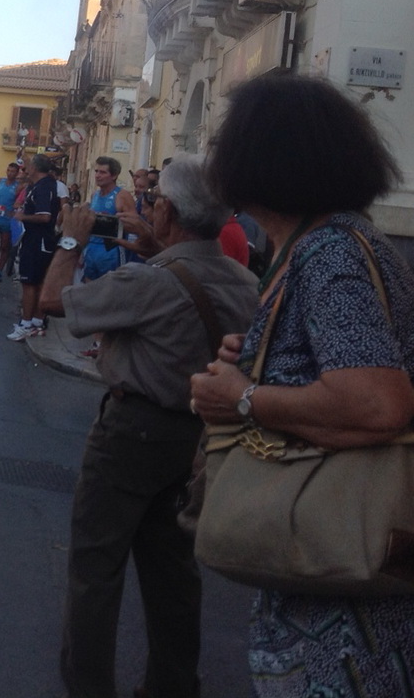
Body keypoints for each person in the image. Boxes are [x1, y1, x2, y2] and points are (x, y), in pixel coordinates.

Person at [189, 73, 414, 696]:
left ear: (258, 159)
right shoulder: (330, 245)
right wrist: (260, 354)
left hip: (345, 615)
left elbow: (377, 401)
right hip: (333, 583)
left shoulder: (330, 254)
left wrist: (239, 395)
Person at [39, 153, 259, 698]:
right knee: (173, 575)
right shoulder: (246, 280)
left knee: (96, 569)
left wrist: (70, 240)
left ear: (167, 212)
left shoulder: (149, 281)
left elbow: (52, 301)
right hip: (196, 438)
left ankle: (89, 687)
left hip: (131, 432)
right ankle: (173, 686)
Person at [7, 154, 60, 341]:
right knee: (37, 282)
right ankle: (36, 322)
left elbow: (45, 216)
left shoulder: (44, 187)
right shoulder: (37, 186)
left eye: (28, 165)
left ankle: (26, 324)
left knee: (29, 282)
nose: (24, 168)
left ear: (36, 168)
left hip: (38, 241)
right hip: (33, 239)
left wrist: (23, 217)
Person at [81, 157, 134, 282]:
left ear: (114, 175)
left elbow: (134, 225)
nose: (98, 176)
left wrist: (112, 222)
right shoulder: (95, 195)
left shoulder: (122, 195)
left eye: (103, 172)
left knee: (110, 287)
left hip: (111, 250)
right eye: (96, 171)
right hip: (92, 248)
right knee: (89, 286)